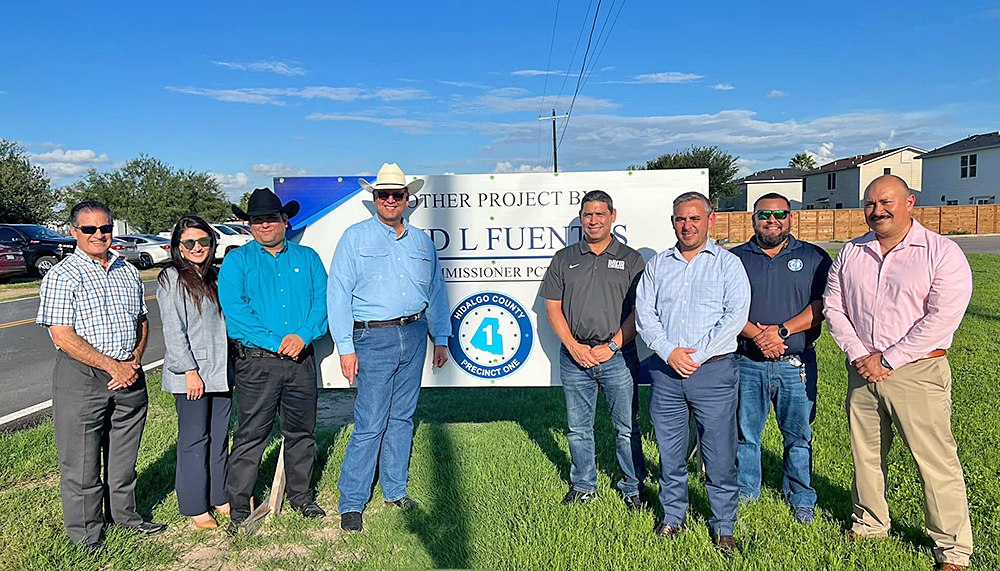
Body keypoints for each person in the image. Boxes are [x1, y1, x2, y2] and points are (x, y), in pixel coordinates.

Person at [823, 175, 973, 571]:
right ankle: (869, 524)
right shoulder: (852, 252)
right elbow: (834, 307)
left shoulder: (941, 252)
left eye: (886, 202)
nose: (877, 211)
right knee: (866, 456)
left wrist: (888, 359)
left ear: (909, 203)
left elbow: (942, 318)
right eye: (870, 204)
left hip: (917, 372)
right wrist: (860, 354)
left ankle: (953, 549)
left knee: (934, 461)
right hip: (862, 371)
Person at [328, 163, 450, 533]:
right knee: (370, 422)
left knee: (402, 418)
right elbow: (338, 293)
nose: (391, 200)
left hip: (414, 333)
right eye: (384, 194)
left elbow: (436, 290)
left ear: (407, 199)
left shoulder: (421, 241)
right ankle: (352, 501)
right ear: (375, 198)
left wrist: (440, 337)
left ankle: (395, 491)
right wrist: (345, 346)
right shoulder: (355, 237)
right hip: (372, 339)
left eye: (397, 194)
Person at [36, 200, 166, 548]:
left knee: (124, 459)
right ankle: (87, 535)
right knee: (81, 463)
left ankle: (125, 517)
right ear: (74, 232)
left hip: (129, 374)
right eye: (89, 229)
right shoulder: (62, 276)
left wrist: (134, 360)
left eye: (105, 228)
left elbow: (141, 321)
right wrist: (113, 367)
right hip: (82, 377)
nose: (98, 234)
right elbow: (62, 336)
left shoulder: (128, 271)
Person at [635, 191, 750, 555]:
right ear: (673, 222)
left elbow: (735, 317)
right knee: (670, 454)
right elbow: (645, 314)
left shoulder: (728, 264)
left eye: (694, 218)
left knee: (719, 455)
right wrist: (669, 351)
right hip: (667, 373)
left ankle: (724, 527)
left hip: (713, 372)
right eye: (681, 219)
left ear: (710, 220)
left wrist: (696, 356)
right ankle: (673, 517)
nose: (687, 225)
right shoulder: (658, 265)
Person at [219, 188, 329, 535]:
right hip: (257, 363)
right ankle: (240, 506)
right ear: (249, 225)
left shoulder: (308, 258)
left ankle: (301, 497)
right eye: (257, 220)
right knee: (251, 435)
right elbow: (236, 312)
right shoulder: (237, 261)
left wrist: (304, 336)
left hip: (300, 360)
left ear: (285, 220)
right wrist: (277, 343)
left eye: (271, 218)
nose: (264, 225)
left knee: (301, 432)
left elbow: (323, 303)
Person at [539, 190, 648, 510]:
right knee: (578, 429)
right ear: (581, 218)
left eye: (600, 214)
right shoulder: (564, 258)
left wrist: (612, 345)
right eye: (588, 214)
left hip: (618, 356)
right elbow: (552, 309)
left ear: (613, 216)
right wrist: (574, 347)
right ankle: (583, 485)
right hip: (575, 357)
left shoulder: (631, 259)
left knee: (627, 428)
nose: (594, 220)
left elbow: (639, 312)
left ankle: (633, 487)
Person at [730, 193, 832, 524]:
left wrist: (782, 332)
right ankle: (746, 493)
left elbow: (823, 306)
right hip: (748, 362)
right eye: (764, 214)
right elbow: (724, 307)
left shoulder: (814, 257)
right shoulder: (733, 259)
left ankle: (800, 496)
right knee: (746, 434)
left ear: (790, 217)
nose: (772, 220)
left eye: (780, 214)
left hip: (795, 365)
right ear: (753, 219)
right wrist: (757, 336)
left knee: (798, 437)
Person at [157, 215, 233, 530]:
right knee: (194, 439)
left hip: (221, 371)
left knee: (219, 437)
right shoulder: (172, 278)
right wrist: (189, 370)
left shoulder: (215, 275)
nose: (197, 247)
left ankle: (220, 495)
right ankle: (194, 505)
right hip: (192, 374)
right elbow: (173, 329)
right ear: (178, 246)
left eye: (203, 241)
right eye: (189, 242)